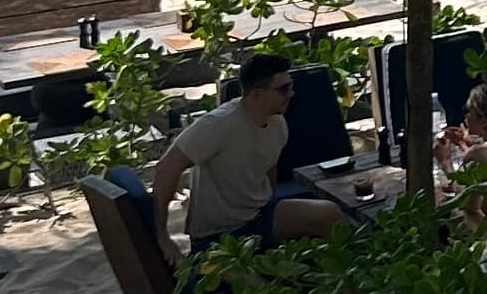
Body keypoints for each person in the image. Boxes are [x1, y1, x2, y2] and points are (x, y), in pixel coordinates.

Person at [149, 50, 358, 256]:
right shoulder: (217, 125)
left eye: (291, 86)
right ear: (257, 94)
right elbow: (167, 168)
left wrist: (272, 205)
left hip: (259, 215)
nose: (291, 94)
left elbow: (269, 167)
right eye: (283, 89)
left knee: (332, 216)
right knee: (252, 283)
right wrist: (163, 236)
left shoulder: (278, 122)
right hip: (217, 234)